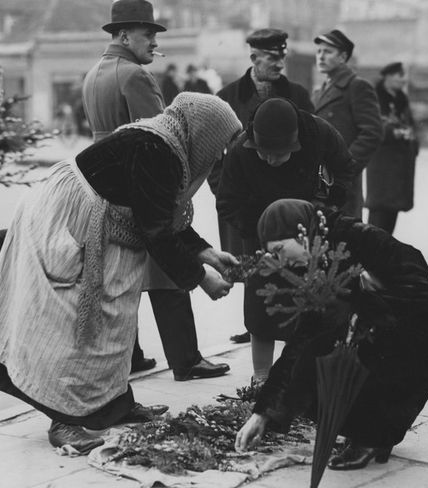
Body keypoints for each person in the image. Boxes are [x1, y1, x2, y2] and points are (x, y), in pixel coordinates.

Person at [0, 93, 242, 454]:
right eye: (219, 144)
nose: (219, 154)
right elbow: (157, 231)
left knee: (115, 319)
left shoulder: (166, 142)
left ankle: (115, 406)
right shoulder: (155, 150)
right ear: (204, 135)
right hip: (67, 222)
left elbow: (160, 212)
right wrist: (201, 277)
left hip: (104, 223)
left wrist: (207, 252)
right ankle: (64, 420)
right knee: (73, 323)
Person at [235, 199, 428, 470]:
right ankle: (370, 434)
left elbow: (418, 282)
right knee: (313, 356)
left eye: (281, 249)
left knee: (358, 356)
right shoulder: (315, 258)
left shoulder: (360, 237)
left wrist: (368, 302)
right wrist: (262, 413)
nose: (282, 261)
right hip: (377, 328)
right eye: (274, 255)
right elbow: (302, 339)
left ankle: (370, 439)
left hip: (422, 329)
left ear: (302, 231)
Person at [82, 0, 230, 380]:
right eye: (148, 34)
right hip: (143, 180)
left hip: (105, 186)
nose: (153, 42)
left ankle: (129, 357)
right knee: (166, 268)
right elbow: (163, 133)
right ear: (123, 35)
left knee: (118, 272)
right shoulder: (136, 76)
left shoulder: (94, 73)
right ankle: (186, 359)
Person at [217, 98, 358, 383]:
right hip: (262, 237)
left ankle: (306, 376)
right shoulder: (240, 151)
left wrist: (325, 209)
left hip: (312, 233)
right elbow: (227, 203)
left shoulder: (320, 133)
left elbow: (345, 169)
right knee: (262, 307)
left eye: (278, 154)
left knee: (314, 305)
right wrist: (263, 232)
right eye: (263, 154)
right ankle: (261, 378)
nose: (270, 160)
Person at [208, 28, 315, 345]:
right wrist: (222, 187)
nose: (279, 63)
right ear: (254, 57)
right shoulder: (227, 98)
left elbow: (312, 149)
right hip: (245, 202)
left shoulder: (298, 95)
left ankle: (291, 322)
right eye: (272, 57)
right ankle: (256, 326)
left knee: (291, 263)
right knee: (251, 266)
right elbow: (213, 154)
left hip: (288, 201)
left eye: (282, 56)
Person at [313, 29, 383, 218]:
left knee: (344, 240)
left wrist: (346, 169)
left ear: (343, 57)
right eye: (319, 51)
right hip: (319, 180)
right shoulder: (319, 91)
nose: (321, 56)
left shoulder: (357, 86)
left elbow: (372, 132)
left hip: (344, 185)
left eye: (327, 52)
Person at [365, 62, 419, 235]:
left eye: (403, 76)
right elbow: (374, 127)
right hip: (382, 166)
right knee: (378, 216)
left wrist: (410, 137)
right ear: (387, 77)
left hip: (400, 167)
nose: (403, 80)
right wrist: (397, 132)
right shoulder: (375, 98)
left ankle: (384, 254)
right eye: (399, 76)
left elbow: (411, 126)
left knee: (392, 214)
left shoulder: (401, 99)